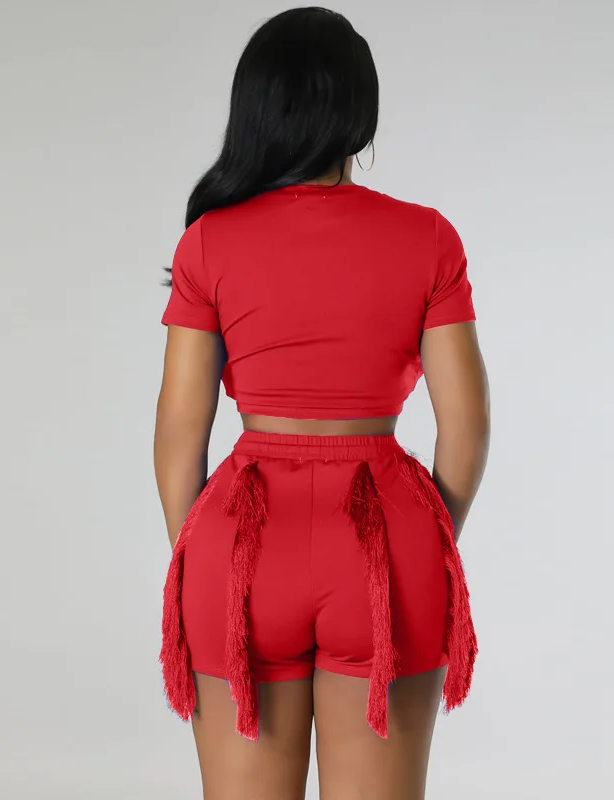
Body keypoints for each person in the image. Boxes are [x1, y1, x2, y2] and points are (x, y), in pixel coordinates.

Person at [154, 7, 490, 799]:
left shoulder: (208, 241)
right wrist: (425, 541)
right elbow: (466, 429)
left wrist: (200, 560)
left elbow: (178, 436)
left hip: (243, 540)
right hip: (386, 540)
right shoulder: (428, 237)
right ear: (358, 110)